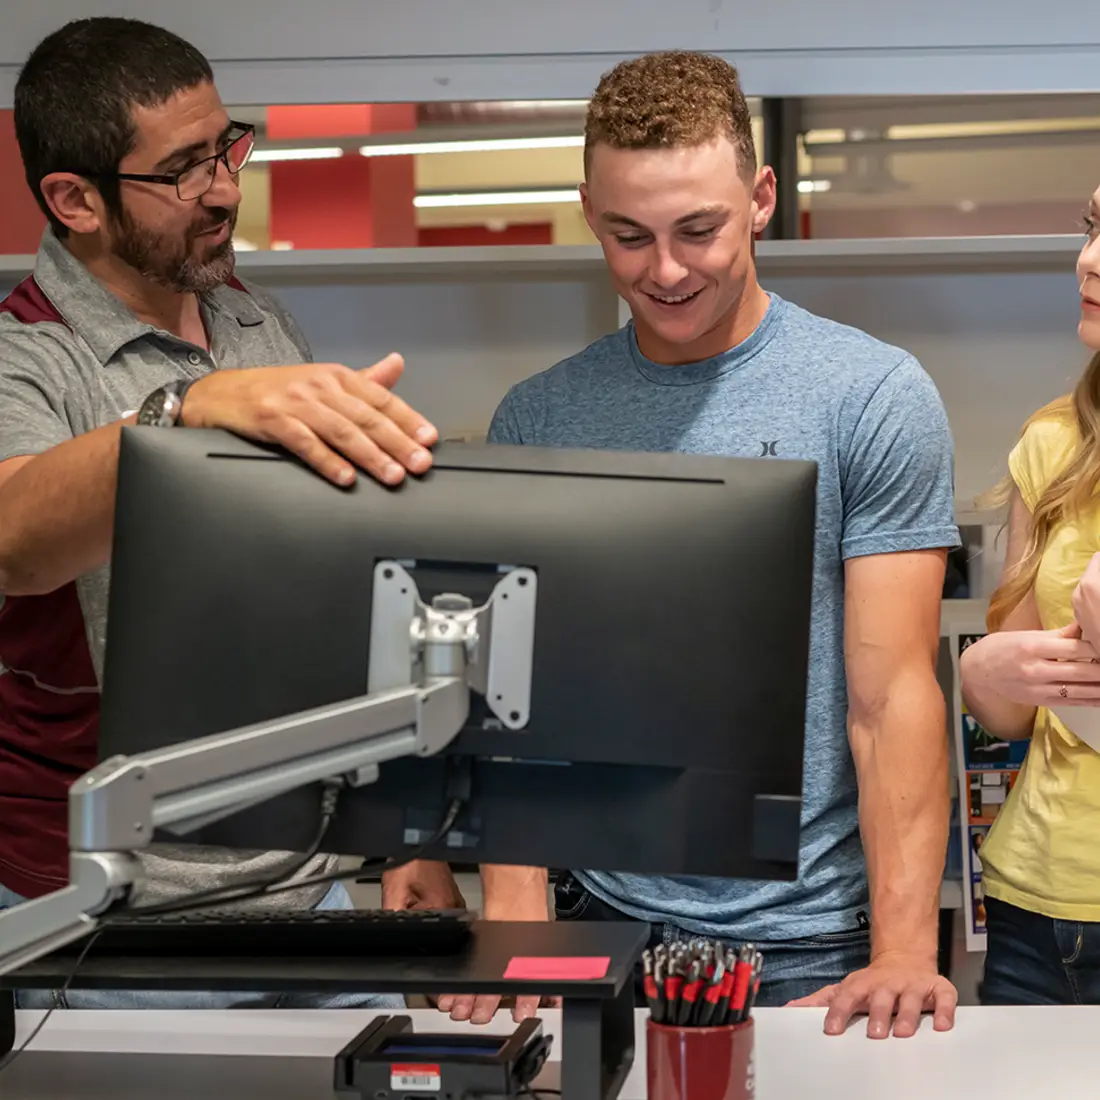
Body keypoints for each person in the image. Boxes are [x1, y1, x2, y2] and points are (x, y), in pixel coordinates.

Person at [400, 49, 962, 1039]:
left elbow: (890, 697)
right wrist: (512, 907)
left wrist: (904, 949)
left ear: (759, 197)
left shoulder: (869, 396)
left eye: (696, 230)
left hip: (807, 933)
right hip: (596, 918)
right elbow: (509, 695)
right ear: (588, 212)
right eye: (627, 235)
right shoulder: (542, 416)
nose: (663, 270)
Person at [0, 16, 537, 1014]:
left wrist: (394, 838)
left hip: (305, 887)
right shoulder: (22, 358)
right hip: (104, 929)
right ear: (73, 198)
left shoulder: (256, 322)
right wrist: (182, 414)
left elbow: (334, 598)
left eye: (224, 146)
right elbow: (17, 539)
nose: (221, 186)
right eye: (180, 169)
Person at [959, 184, 1100, 1005]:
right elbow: (1008, 712)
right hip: (1038, 913)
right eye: (1091, 228)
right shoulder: (1053, 442)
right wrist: (986, 676)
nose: (1087, 259)